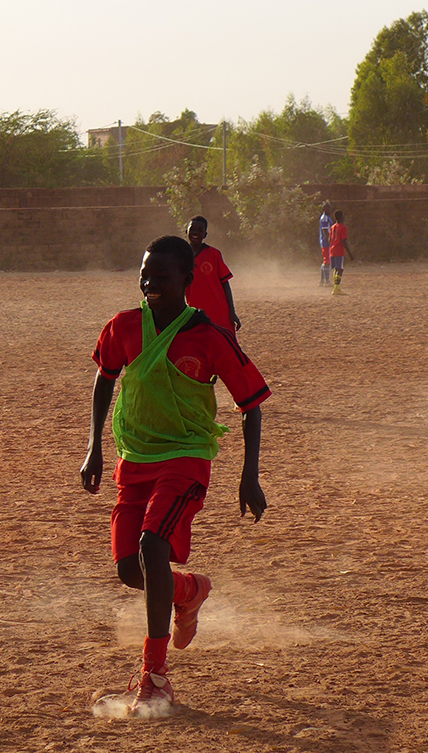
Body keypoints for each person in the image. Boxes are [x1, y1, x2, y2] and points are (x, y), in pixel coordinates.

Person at [80, 235, 269, 717]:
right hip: (135, 459)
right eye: (144, 275)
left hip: (186, 458)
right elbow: (104, 379)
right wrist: (94, 448)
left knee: (151, 548)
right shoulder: (123, 327)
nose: (149, 284)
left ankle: (155, 678)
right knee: (130, 570)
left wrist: (250, 475)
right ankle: (189, 591)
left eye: (161, 277)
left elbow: (250, 404)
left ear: (187, 281)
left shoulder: (208, 336)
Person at [184, 216, 241, 331]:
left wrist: (231, 311)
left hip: (219, 312)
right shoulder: (180, 257)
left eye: (200, 230)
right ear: (186, 231)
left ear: (205, 235)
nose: (195, 232)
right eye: (192, 229)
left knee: (224, 344)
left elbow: (225, 283)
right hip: (195, 313)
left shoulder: (213, 254)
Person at [329, 210, 351, 295]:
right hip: (339, 250)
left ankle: (336, 287)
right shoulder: (343, 227)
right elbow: (344, 241)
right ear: (342, 217)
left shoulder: (333, 227)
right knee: (340, 269)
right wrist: (350, 253)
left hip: (332, 250)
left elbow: (329, 239)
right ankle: (336, 288)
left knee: (336, 269)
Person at [317, 202, 334, 287]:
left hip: (325, 241)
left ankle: (322, 281)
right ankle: (326, 281)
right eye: (328, 208)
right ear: (324, 209)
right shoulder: (324, 218)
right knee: (327, 260)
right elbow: (325, 230)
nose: (330, 210)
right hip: (325, 242)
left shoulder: (327, 217)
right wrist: (329, 240)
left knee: (325, 260)